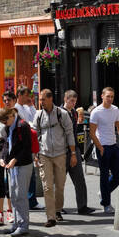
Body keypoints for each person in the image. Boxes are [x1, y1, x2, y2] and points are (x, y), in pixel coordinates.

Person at [32, 89, 75, 226]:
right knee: (47, 186)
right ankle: (50, 217)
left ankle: (57, 210)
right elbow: (34, 135)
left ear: (50, 99)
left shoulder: (62, 114)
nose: (41, 102)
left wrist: (73, 154)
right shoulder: (38, 115)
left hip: (60, 154)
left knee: (60, 186)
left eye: (43, 100)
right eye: (40, 100)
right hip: (44, 154)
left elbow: (69, 133)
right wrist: (35, 154)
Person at [88, 87, 119, 214]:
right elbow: (92, 133)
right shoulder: (96, 112)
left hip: (114, 145)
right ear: (102, 96)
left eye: (112, 97)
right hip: (103, 146)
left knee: (118, 176)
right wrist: (100, 148)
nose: (110, 99)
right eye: (108, 96)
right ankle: (106, 204)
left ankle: (104, 193)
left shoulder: (115, 109)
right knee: (104, 176)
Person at [0, 106, 33, 237]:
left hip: (23, 164)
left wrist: (15, 159)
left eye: (5, 121)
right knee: (13, 195)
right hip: (12, 166)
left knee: (21, 195)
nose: (4, 125)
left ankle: (23, 225)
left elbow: (27, 147)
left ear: (11, 116)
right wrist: (3, 158)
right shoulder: (9, 127)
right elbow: (6, 145)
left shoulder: (22, 125)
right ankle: (16, 223)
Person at [61, 90, 93, 215]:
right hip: (63, 151)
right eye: (71, 100)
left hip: (74, 150)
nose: (73, 103)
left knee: (79, 179)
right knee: (59, 182)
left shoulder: (74, 113)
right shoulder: (59, 112)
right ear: (65, 99)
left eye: (74, 101)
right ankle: (58, 207)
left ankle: (82, 206)